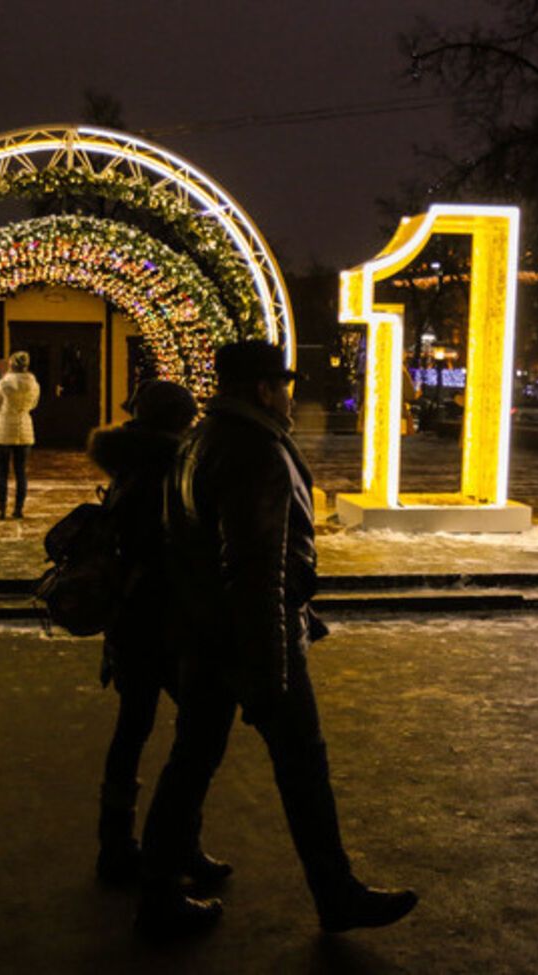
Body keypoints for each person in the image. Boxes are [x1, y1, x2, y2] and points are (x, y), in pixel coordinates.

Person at [136, 340, 419, 936]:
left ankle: (159, 891)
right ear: (264, 389)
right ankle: (335, 892)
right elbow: (257, 568)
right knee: (302, 765)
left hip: (207, 633)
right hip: (253, 638)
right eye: (284, 385)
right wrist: (269, 670)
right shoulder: (255, 451)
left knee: (192, 759)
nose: (292, 396)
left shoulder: (202, 439)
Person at [88, 380, 229, 889]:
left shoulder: (129, 464)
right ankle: (174, 846)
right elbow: (178, 552)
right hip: (166, 622)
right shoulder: (168, 471)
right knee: (198, 733)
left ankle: (119, 843)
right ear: (178, 420)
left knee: (133, 729)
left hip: (131, 620)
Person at [0, 350, 40, 519]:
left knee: (2, 472)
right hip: (24, 428)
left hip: (4, 429)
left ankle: (1, 510)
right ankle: (18, 509)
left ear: (11, 364)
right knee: (21, 472)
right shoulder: (33, 384)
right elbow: (34, 404)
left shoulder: (4, 383)